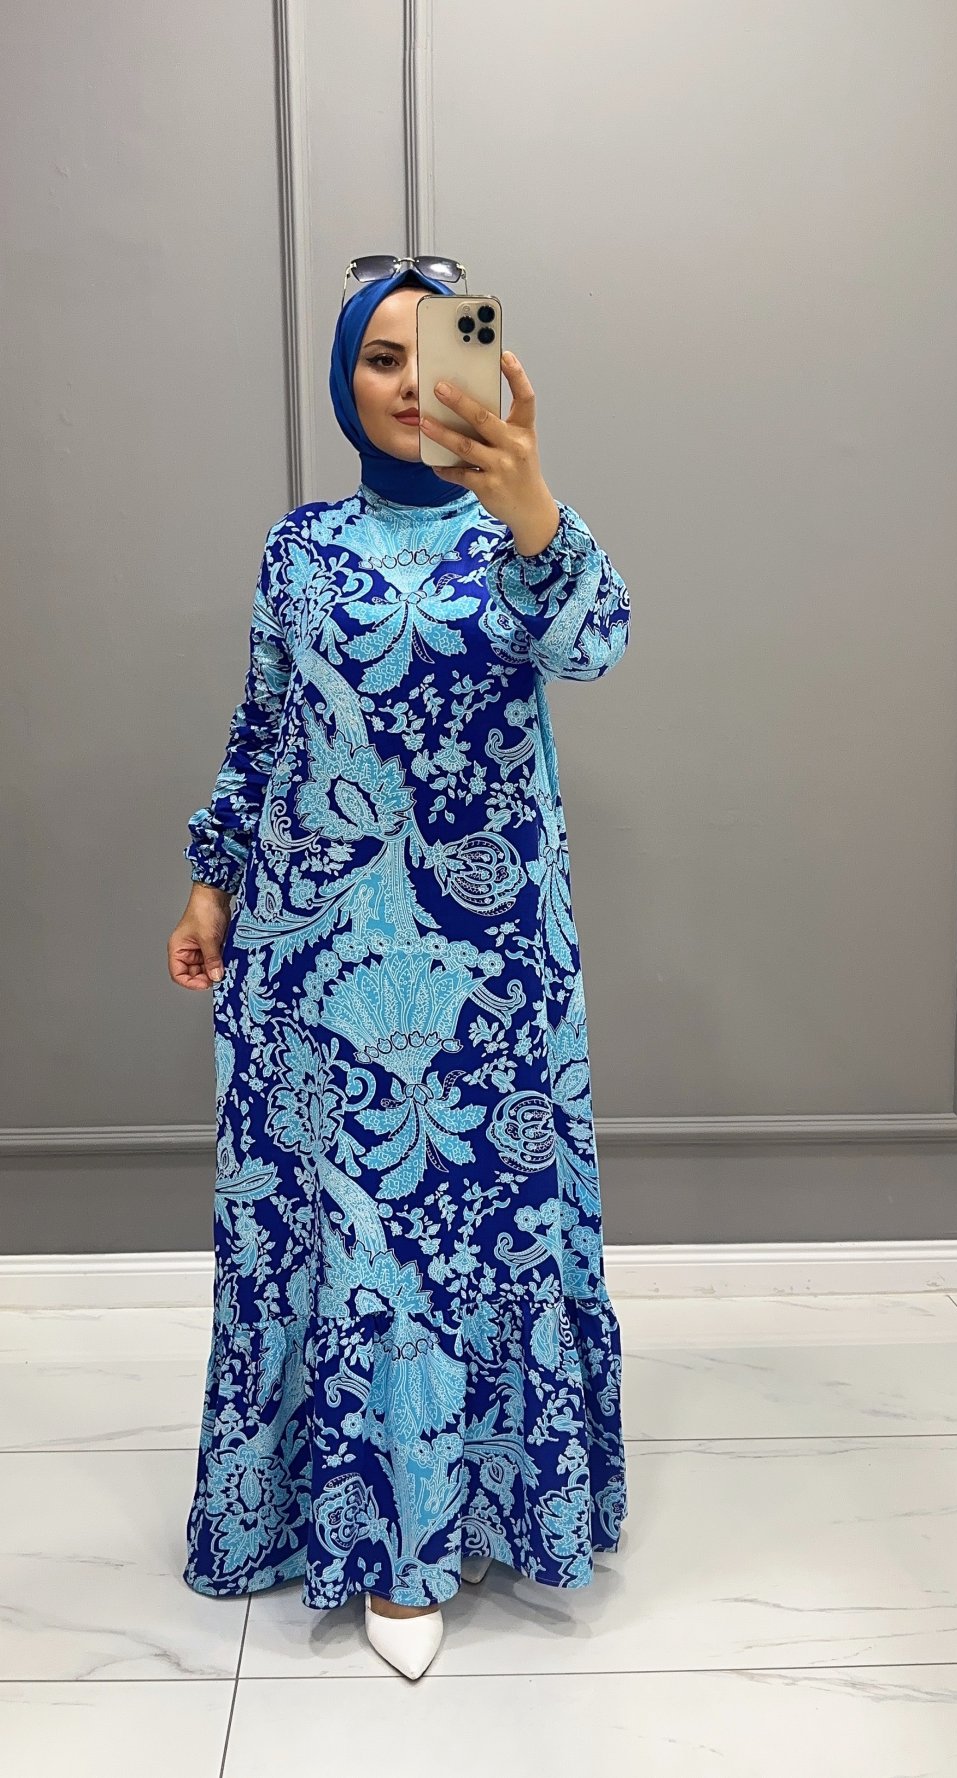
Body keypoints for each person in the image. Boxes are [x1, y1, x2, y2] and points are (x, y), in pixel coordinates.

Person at [166, 261, 631, 1680]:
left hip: (489, 967)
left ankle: (485, 1498)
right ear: (343, 382)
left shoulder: (521, 539)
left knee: (483, 1223)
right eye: (380, 357)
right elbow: (264, 727)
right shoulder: (299, 549)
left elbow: (598, 643)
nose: (413, 381)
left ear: (487, 367)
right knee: (352, 1229)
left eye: (437, 351)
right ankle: (381, 1539)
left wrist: (532, 501)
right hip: (315, 957)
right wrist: (212, 878)